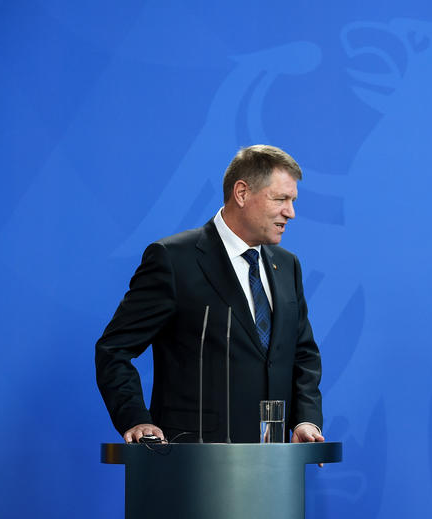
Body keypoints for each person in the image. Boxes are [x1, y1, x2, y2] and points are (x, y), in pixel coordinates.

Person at [96, 145, 324, 444]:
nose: (290, 212)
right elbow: (113, 350)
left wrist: (306, 419)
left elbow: (303, 353)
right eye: (280, 199)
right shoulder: (174, 259)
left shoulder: (287, 266)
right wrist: (137, 419)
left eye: (292, 201)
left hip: (274, 465)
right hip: (193, 463)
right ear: (242, 193)